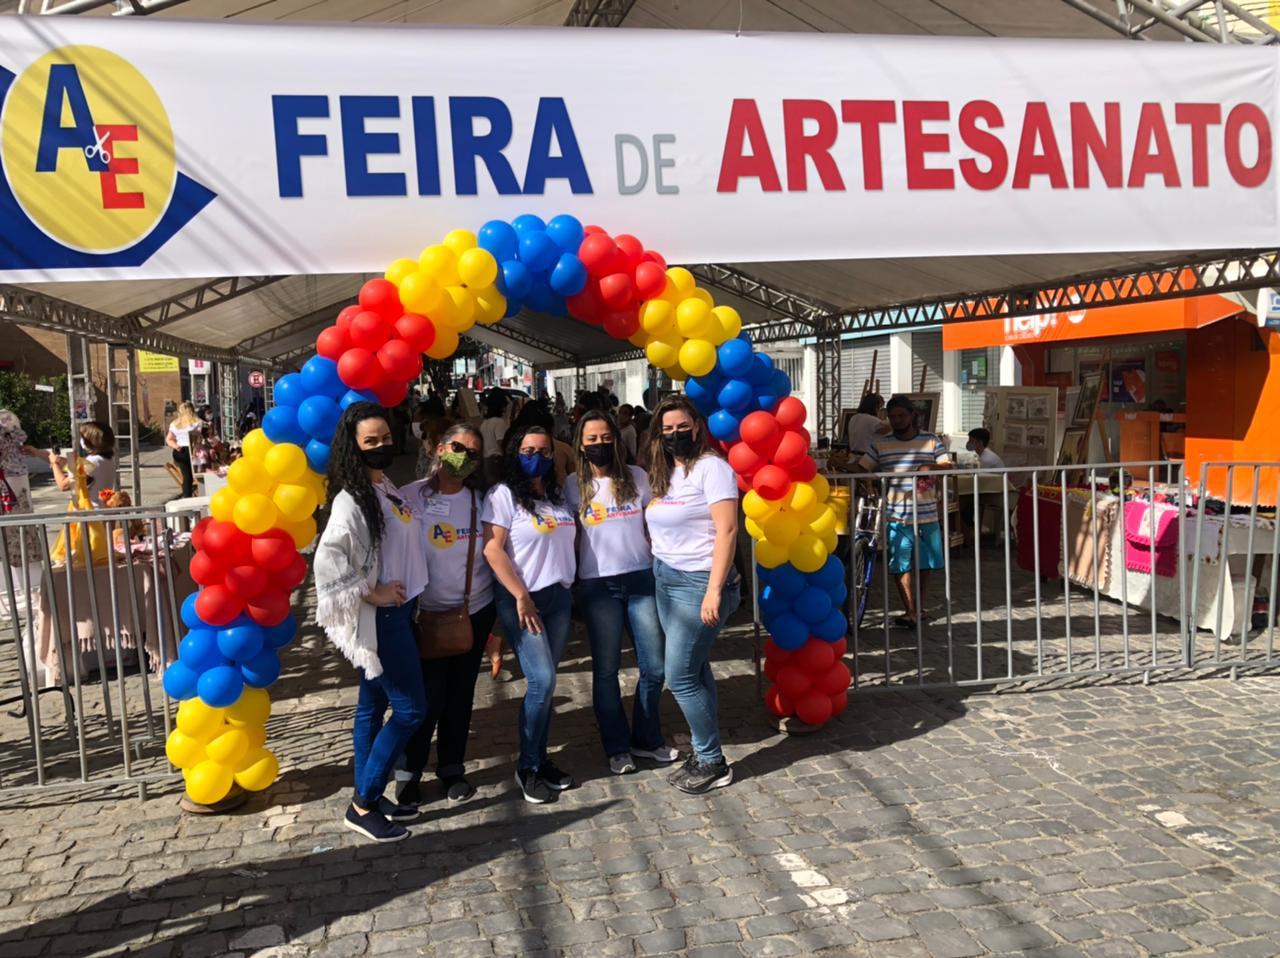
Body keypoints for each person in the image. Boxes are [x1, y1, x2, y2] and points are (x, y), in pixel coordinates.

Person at [314, 403, 429, 843]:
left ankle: (369, 796)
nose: (381, 447)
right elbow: (328, 557)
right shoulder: (351, 499)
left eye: (385, 438)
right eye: (371, 442)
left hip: (401, 612)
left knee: (370, 708)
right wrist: (370, 590)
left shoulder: (383, 486)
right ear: (353, 447)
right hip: (385, 617)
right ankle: (363, 802)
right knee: (410, 709)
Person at [565, 411, 678, 776]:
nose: (600, 444)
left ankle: (646, 738)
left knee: (654, 665)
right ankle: (616, 747)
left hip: (641, 580)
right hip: (599, 586)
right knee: (606, 670)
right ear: (580, 445)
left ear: (616, 439)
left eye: (605, 437)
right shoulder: (571, 485)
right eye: (591, 439)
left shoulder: (638, 478)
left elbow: (654, 524)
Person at [644, 395, 741, 794]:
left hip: (700, 582)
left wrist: (714, 590)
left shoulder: (712, 468)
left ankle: (713, 760)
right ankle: (704, 753)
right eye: (666, 430)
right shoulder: (665, 471)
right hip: (665, 578)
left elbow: (729, 530)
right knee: (696, 669)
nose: (675, 435)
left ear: (697, 426)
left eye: (682, 427)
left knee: (679, 676)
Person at [396, 424, 494, 806]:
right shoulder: (409, 497)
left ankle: (453, 768)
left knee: (460, 696)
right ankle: (408, 771)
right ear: (439, 447)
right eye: (458, 447)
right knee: (425, 700)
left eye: (473, 453)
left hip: (473, 612)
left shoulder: (481, 500)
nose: (464, 457)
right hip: (423, 615)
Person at [481, 422, 578, 804]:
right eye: (528, 452)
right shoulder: (503, 495)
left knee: (547, 683)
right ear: (515, 454)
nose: (536, 458)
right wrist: (520, 595)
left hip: (558, 598)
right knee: (541, 682)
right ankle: (528, 766)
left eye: (544, 452)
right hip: (524, 600)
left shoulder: (556, 496)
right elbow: (493, 550)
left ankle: (540, 758)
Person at [856, 395, 953, 630]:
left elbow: (948, 465)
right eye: (892, 416)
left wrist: (931, 466)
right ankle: (910, 610)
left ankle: (918, 607)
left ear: (912, 415)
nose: (897, 420)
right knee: (900, 563)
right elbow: (862, 467)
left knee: (926, 564)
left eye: (901, 415)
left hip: (927, 513)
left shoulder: (930, 440)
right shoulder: (880, 443)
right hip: (895, 514)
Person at [50, 421, 117, 509]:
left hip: (91, 513)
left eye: (83, 438)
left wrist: (54, 464)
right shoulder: (106, 459)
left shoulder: (93, 461)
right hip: (102, 510)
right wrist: (36, 452)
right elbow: (70, 464)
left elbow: (64, 485)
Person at [166, 401, 203, 498]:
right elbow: (198, 439)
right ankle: (201, 494)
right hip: (192, 450)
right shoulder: (197, 423)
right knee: (200, 474)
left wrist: (176, 446)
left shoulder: (175, 424)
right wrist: (195, 449)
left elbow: (168, 439)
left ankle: (186, 496)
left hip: (180, 451)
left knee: (187, 476)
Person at [480, 393, 508, 488]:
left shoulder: (485, 423)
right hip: (496, 460)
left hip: (485, 459)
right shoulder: (499, 422)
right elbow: (501, 441)